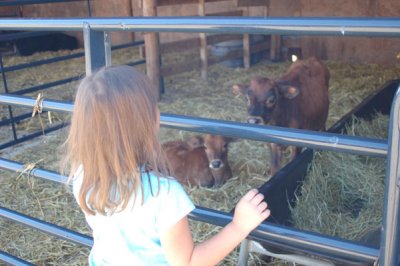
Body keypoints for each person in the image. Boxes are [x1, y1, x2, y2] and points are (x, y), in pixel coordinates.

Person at [64, 65, 271, 266]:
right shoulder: (163, 193)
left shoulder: (83, 174)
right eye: (153, 106)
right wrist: (238, 226)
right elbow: (187, 262)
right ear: (150, 121)